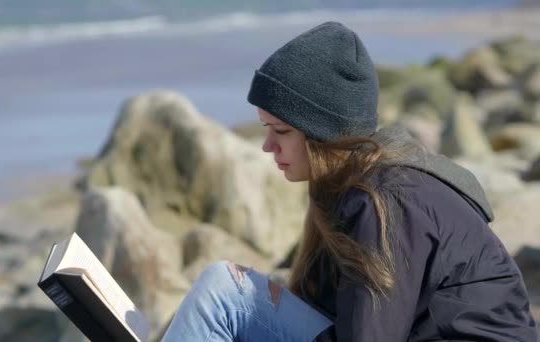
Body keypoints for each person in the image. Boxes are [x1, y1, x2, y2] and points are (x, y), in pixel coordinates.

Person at [162, 21, 539, 341]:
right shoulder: (358, 188)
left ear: (323, 134)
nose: (267, 145)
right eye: (266, 128)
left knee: (225, 292)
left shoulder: (387, 201)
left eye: (281, 130)